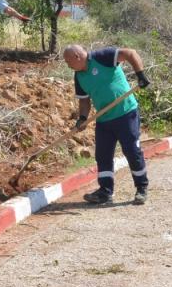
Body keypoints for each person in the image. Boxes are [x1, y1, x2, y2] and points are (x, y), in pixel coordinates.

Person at [63, 44, 153, 205]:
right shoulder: (78, 76)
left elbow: (131, 53)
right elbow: (84, 101)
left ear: (77, 56)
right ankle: (105, 191)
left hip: (126, 113)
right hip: (104, 119)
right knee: (103, 155)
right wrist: (82, 118)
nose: (67, 65)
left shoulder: (102, 57)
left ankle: (141, 188)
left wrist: (140, 74)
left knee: (132, 151)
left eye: (68, 61)